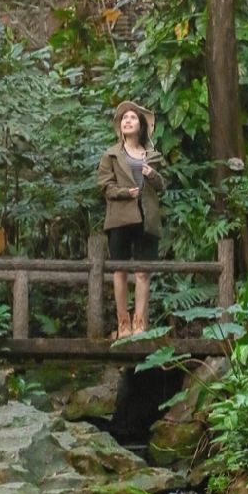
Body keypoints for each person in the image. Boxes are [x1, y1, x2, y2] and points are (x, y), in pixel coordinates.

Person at [96, 99, 166, 337]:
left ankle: (140, 324)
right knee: (120, 270)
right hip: (120, 218)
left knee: (143, 271)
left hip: (147, 217)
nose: (127, 120)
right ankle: (123, 324)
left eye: (132, 117)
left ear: (141, 125)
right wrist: (125, 192)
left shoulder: (153, 156)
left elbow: (163, 185)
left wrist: (152, 174)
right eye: (124, 118)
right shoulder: (111, 155)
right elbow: (105, 186)